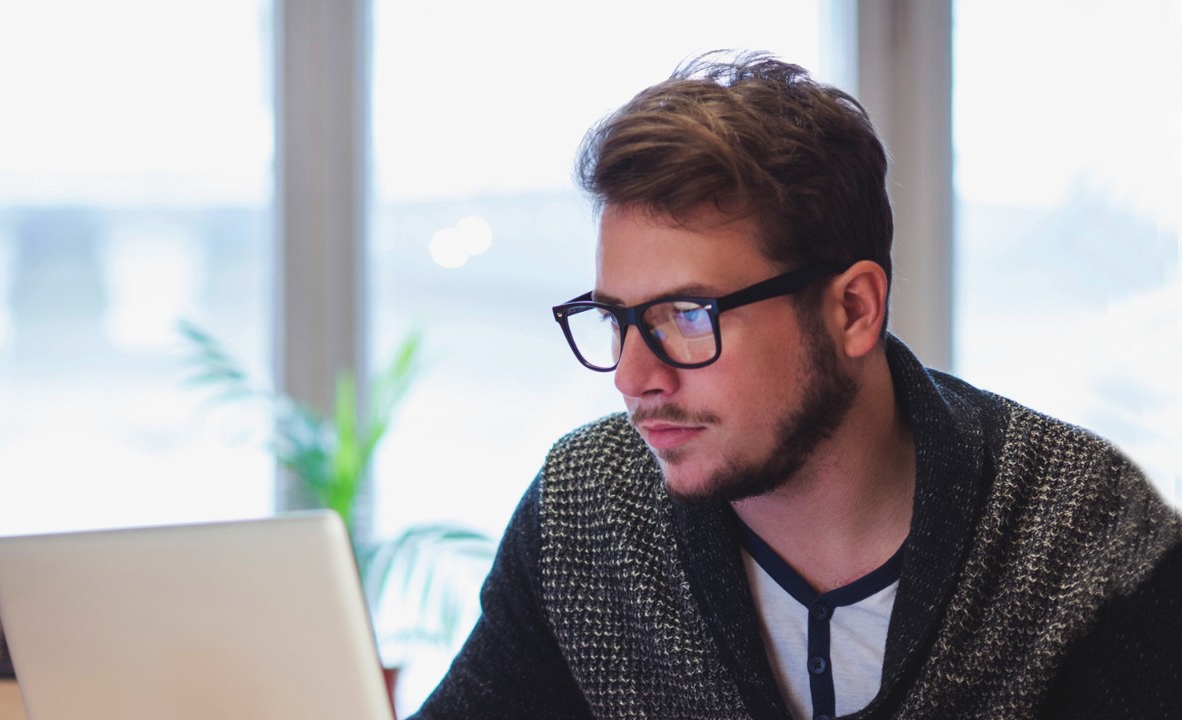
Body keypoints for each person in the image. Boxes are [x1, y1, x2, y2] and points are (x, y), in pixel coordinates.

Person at [409, 51, 1182, 719]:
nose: (633, 377)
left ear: (854, 309)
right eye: (616, 319)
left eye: (686, 314)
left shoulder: (1084, 538)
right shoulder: (588, 510)